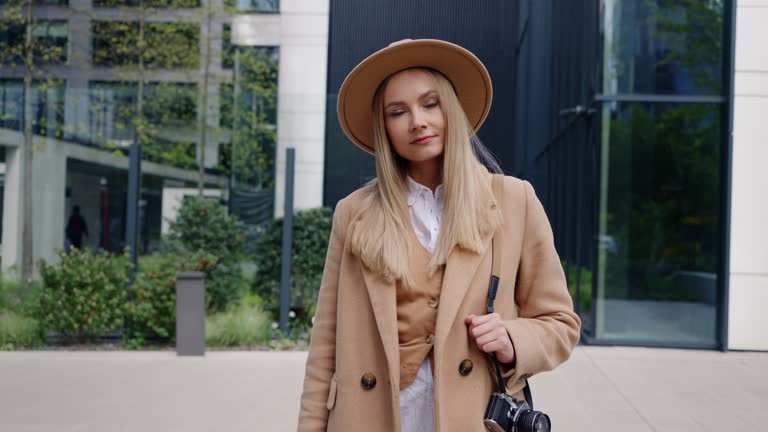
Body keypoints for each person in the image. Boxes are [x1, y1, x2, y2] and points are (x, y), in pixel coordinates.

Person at [297, 39, 580, 432]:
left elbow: (560, 322)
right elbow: (325, 345)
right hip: (371, 418)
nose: (417, 121)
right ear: (385, 128)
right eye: (398, 112)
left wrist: (513, 338)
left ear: (453, 109)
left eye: (430, 104)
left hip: (473, 417)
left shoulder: (514, 201)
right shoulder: (353, 213)